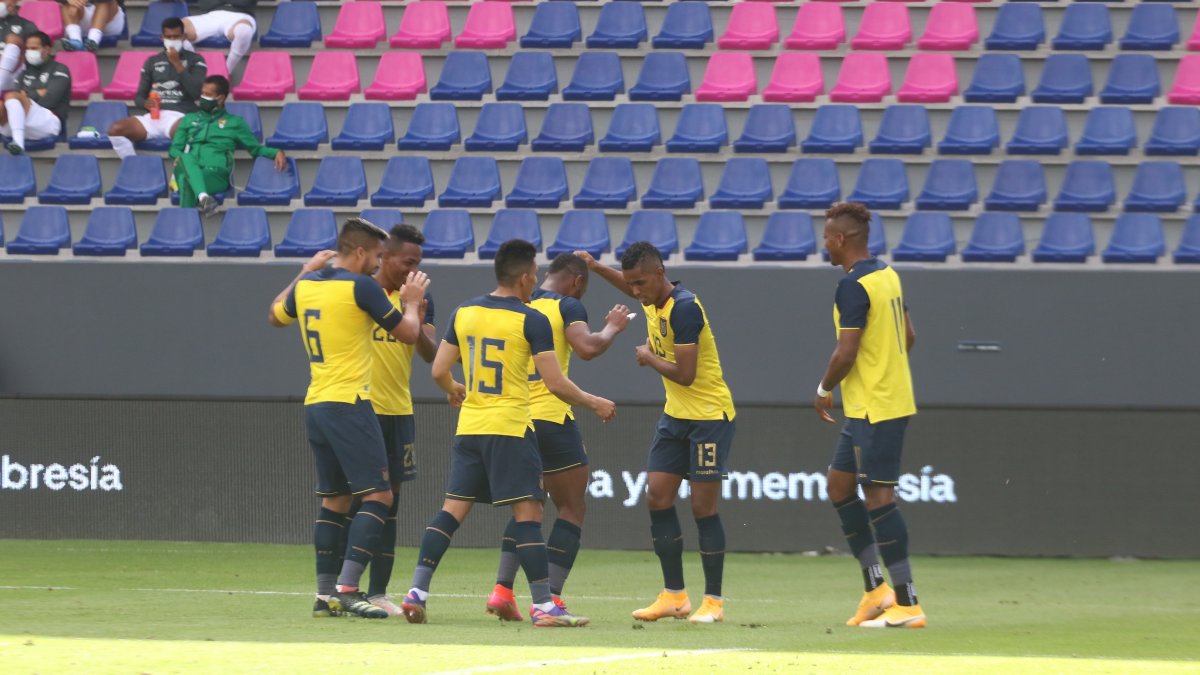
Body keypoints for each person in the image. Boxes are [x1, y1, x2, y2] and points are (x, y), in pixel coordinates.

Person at [399, 239, 616, 628]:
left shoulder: (465, 311)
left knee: (451, 512)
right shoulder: (530, 318)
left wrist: (453, 388)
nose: (537, 281)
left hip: (470, 429)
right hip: (512, 429)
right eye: (534, 274)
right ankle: (545, 606)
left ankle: (417, 591)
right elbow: (555, 383)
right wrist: (594, 401)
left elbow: (437, 370)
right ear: (524, 276)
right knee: (529, 514)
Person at [267, 218, 430, 620]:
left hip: (317, 402)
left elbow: (274, 316)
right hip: (351, 402)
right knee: (379, 496)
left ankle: (325, 597)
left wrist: (304, 270)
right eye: (375, 256)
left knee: (335, 500)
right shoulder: (360, 287)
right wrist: (411, 302)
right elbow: (409, 334)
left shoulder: (307, 286)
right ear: (359, 252)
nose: (377, 264)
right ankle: (349, 589)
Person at [577, 244, 736, 625]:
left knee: (703, 508)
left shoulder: (684, 308)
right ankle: (674, 596)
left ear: (661, 272)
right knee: (657, 497)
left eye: (641, 283)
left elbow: (686, 374)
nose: (635, 292)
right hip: (675, 417)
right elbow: (629, 283)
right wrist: (597, 267)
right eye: (631, 284)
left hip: (709, 417)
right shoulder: (653, 298)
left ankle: (713, 601)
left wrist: (648, 358)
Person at [486, 253, 632, 622]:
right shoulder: (566, 306)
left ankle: (502, 590)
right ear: (577, 282)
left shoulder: (515, 304)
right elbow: (588, 347)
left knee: (527, 506)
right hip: (551, 417)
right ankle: (550, 596)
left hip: (514, 419)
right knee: (571, 507)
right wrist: (613, 326)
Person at [813, 202, 925, 629]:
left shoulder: (852, 286)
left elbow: (846, 352)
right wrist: (886, 368)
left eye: (826, 237)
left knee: (879, 498)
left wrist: (824, 390)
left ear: (841, 239)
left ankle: (908, 602)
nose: (824, 244)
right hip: (871, 404)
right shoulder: (888, 275)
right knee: (839, 486)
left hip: (878, 407)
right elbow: (909, 335)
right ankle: (875, 589)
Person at [360, 224, 438, 617]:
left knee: (391, 505)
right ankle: (343, 587)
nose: (414, 270)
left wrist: (417, 312)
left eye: (419, 264)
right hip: (359, 408)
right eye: (408, 262)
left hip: (398, 411)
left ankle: (377, 593)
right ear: (385, 257)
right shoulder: (359, 290)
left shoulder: (418, 297)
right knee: (355, 501)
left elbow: (429, 352)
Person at [168, 74, 285, 215]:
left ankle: (199, 203)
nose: (203, 98)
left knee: (186, 181)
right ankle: (204, 198)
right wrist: (178, 156)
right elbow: (175, 149)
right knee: (186, 157)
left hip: (216, 175)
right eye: (202, 93)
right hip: (186, 166)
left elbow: (255, 148)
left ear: (220, 98)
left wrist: (276, 152)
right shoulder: (188, 119)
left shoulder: (235, 122)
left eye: (208, 94)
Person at [106, 17, 206, 159]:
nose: (172, 40)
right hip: (153, 117)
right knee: (116, 129)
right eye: (168, 37)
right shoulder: (152, 61)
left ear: (184, 37)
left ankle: (183, 175)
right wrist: (145, 103)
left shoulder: (196, 60)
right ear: (162, 37)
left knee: (188, 131)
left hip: (180, 116)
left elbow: (196, 93)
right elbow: (139, 97)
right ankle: (133, 167)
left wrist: (177, 64)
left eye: (176, 37)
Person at [0, 32, 69, 155]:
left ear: (47, 50)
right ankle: (17, 140)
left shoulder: (60, 69)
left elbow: (50, 100)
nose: (29, 52)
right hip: (20, 122)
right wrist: (37, 93)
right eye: (27, 49)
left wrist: (24, 95)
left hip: (49, 122)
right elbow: (16, 95)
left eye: (33, 48)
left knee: (12, 96)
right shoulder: (23, 72)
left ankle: (18, 144)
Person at [182, 0, 256, 74]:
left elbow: (245, 3)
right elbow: (205, 4)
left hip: (241, 16)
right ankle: (196, 67)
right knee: (177, 28)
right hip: (212, 15)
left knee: (244, 31)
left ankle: (225, 73)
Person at [0, 0, 38, 92]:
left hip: (15, 74)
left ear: (14, 2)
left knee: (13, 40)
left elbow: (34, 58)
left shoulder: (27, 25)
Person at [58, 0, 124, 52]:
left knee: (105, 3)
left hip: (110, 19)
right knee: (69, 4)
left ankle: (93, 41)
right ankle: (75, 41)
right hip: (84, 14)